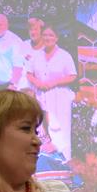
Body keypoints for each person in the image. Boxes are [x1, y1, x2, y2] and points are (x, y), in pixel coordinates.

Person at [23, 27, 78, 164]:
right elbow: (29, 73)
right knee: (43, 127)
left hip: (59, 95)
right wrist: (38, 83)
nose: (48, 38)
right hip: (41, 94)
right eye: (45, 35)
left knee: (61, 127)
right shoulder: (36, 55)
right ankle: (45, 161)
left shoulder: (64, 56)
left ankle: (64, 161)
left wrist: (54, 82)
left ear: (56, 38)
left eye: (51, 35)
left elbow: (72, 75)